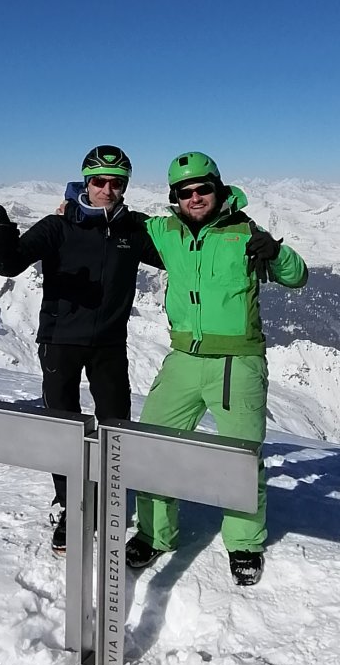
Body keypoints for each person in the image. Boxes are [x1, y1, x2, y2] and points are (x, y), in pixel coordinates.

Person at [126, 151, 308, 587]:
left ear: (218, 188)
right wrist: (75, 203)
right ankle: (154, 533)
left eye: (202, 188)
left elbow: (297, 276)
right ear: (174, 197)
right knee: (153, 446)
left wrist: (277, 252)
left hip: (237, 363)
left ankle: (244, 542)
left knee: (240, 457)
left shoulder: (245, 231)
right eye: (184, 192)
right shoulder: (164, 231)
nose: (194, 197)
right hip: (183, 359)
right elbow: (112, 218)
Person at [0, 145, 161, 554]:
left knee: (115, 424)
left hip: (109, 345)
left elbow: (183, 257)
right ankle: (71, 505)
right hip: (60, 342)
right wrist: (2, 240)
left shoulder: (133, 230)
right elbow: (10, 265)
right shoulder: (57, 226)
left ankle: (108, 496)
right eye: (99, 181)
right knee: (62, 427)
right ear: (86, 182)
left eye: (116, 183)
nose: (107, 190)